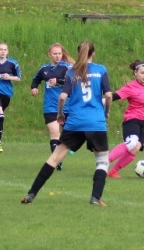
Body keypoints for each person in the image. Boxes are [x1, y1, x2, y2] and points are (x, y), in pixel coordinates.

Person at [22, 41, 113, 207]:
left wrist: (60, 114)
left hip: (75, 122)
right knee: (102, 161)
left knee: (54, 158)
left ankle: (31, 193)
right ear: (93, 53)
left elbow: (63, 97)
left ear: (79, 54)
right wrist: (106, 112)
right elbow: (108, 95)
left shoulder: (72, 72)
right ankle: (95, 197)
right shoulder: (101, 70)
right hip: (96, 122)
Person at [30, 43, 73, 168]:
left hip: (66, 107)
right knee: (55, 133)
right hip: (50, 107)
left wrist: (58, 81)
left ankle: (67, 147)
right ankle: (57, 162)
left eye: (59, 53)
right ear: (49, 54)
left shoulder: (67, 67)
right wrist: (34, 88)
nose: (57, 56)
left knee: (70, 134)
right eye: (55, 54)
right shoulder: (44, 69)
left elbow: (74, 80)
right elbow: (36, 79)